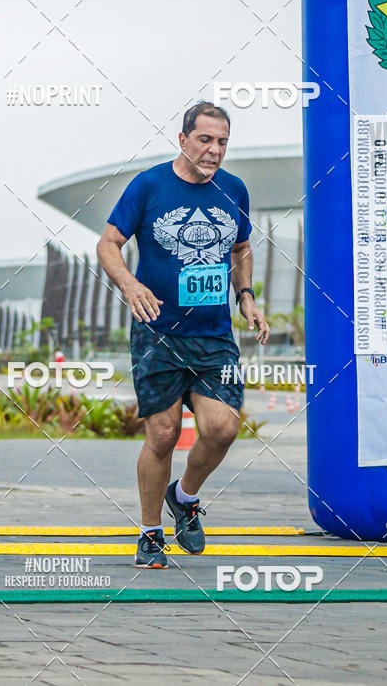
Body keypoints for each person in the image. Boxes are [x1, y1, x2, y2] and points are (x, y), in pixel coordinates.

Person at [97, 101, 270, 568]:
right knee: (164, 433)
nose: (214, 150)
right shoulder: (150, 185)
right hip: (158, 333)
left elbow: (241, 246)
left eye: (222, 142)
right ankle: (150, 533)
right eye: (205, 140)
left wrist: (246, 296)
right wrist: (130, 284)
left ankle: (185, 496)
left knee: (223, 428)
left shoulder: (233, 189)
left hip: (214, 335)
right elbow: (108, 242)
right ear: (183, 139)